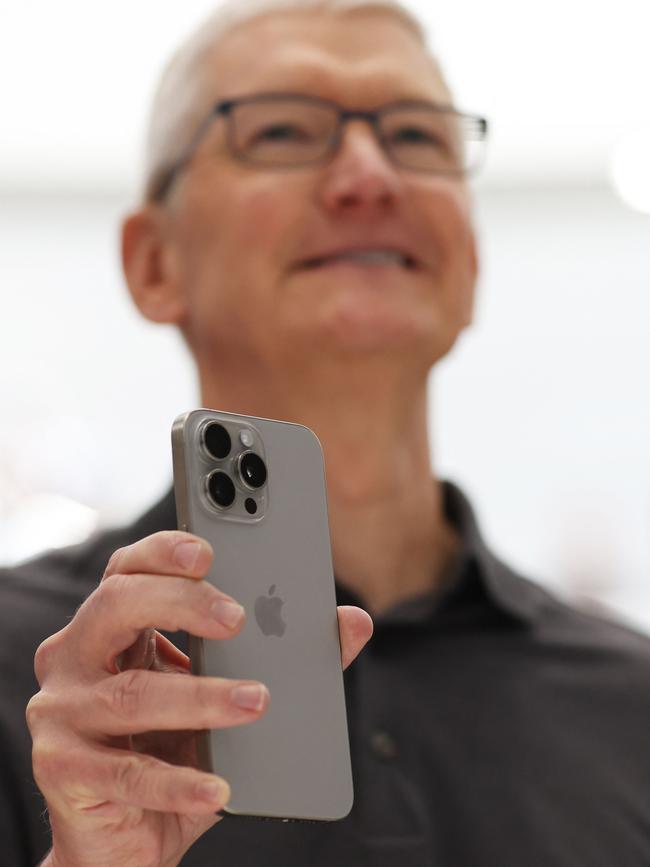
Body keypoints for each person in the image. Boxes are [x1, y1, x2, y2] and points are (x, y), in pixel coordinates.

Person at [2, 1, 649, 865]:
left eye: (418, 138)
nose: (369, 174)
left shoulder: (633, 699)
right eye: (281, 132)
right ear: (154, 262)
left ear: (470, 255)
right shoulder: (32, 683)